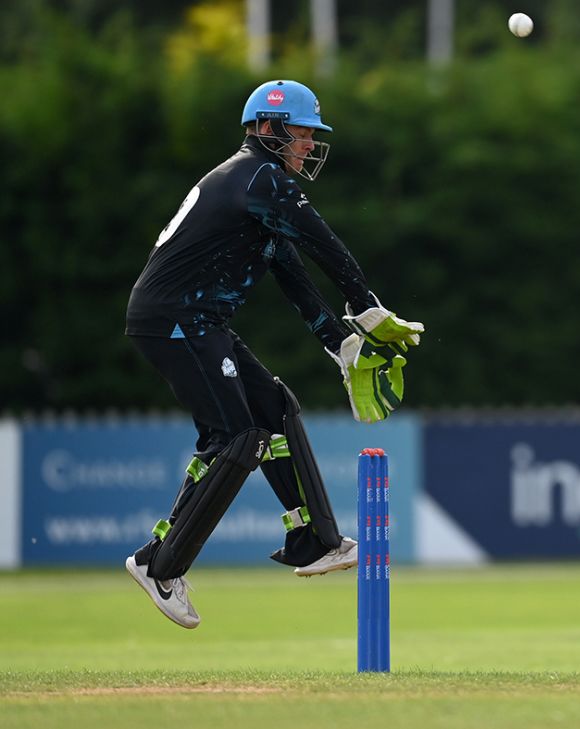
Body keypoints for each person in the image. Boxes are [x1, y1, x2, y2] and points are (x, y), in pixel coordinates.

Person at [123, 80, 423, 629]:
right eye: (301, 132)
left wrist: (339, 342)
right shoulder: (257, 176)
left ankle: (314, 540)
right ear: (266, 129)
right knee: (235, 438)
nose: (309, 144)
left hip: (195, 318)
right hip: (173, 318)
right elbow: (322, 242)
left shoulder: (257, 190)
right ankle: (158, 563)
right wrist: (366, 302)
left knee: (274, 410)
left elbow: (293, 273)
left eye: (312, 134)